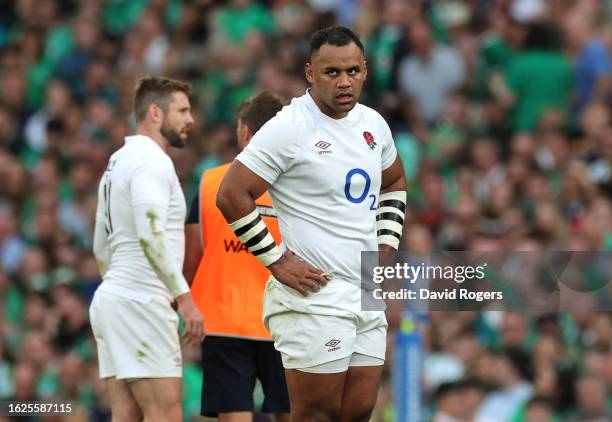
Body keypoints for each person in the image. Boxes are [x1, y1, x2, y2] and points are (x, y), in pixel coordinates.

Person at [217, 26, 407, 422]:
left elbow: (394, 182)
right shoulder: (289, 128)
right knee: (316, 414)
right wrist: (278, 261)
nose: (344, 82)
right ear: (310, 73)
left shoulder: (374, 124)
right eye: (332, 72)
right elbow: (231, 194)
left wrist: (386, 246)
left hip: (364, 286)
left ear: (366, 71)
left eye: (352, 71)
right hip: (316, 295)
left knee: (357, 412)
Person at [90, 76, 204, 421]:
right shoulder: (152, 162)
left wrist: (119, 288)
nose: (191, 119)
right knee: (165, 414)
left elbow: (100, 244)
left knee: (126, 415)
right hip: (141, 301)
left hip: (113, 297)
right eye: (182, 110)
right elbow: (150, 233)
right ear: (155, 113)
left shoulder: (117, 162)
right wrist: (184, 299)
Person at [183, 92, 290, 422]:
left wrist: (186, 306)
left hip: (224, 321)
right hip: (286, 322)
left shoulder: (211, 183)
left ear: (244, 131)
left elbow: (191, 259)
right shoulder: (300, 188)